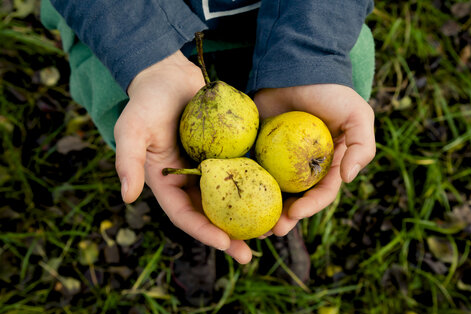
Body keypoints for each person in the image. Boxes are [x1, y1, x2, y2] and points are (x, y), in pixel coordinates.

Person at [41, 0, 376, 264]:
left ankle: (272, 217)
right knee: (147, 136)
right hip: (122, 32)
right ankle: (193, 211)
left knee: (318, 81)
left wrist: (311, 54)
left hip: (292, 23)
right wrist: (147, 58)